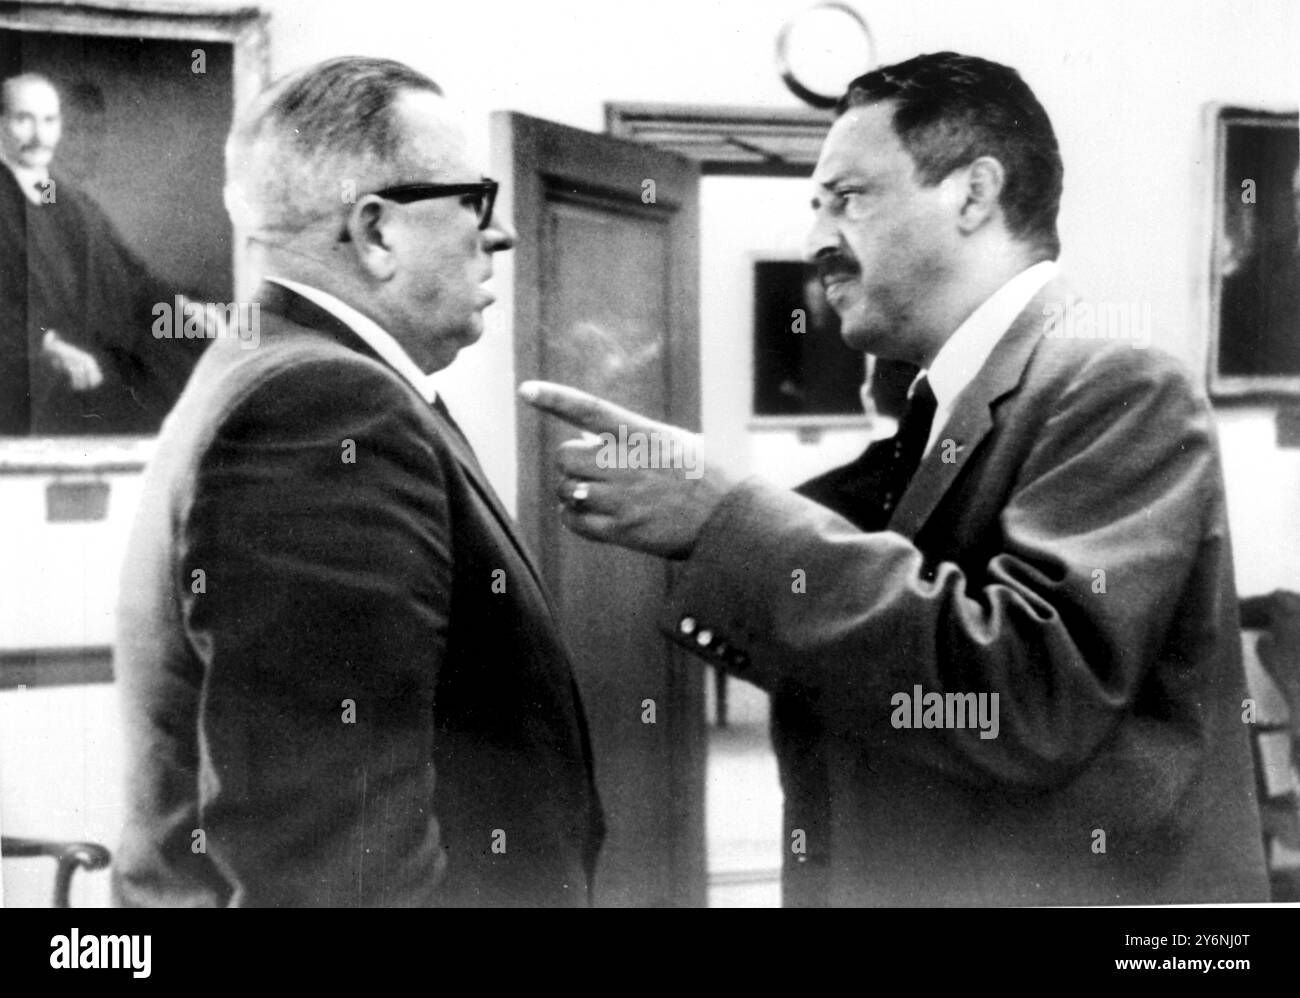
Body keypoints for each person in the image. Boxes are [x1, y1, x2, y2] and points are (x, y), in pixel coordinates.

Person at [522, 51, 1270, 906]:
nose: (816, 242)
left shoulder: (1119, 385)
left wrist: (726, 516)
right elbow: (887, 635)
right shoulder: (944, 403)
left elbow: (1025, 699)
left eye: (848, 197)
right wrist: (714, 510)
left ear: (973, 194)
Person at [113, 57, 603, 907]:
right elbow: (336, 865)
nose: (502, 234)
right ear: (376, 232)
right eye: (472, 202)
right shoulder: (321, 407)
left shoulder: (276, 369)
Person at [0, 72, 202, 436]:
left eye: (49, 121)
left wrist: (185, 308)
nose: (39, 135)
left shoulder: (76, 204)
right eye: (23, 119)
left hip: (94, 361)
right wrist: (47, 345)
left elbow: (133, 278)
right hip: (30, 369)